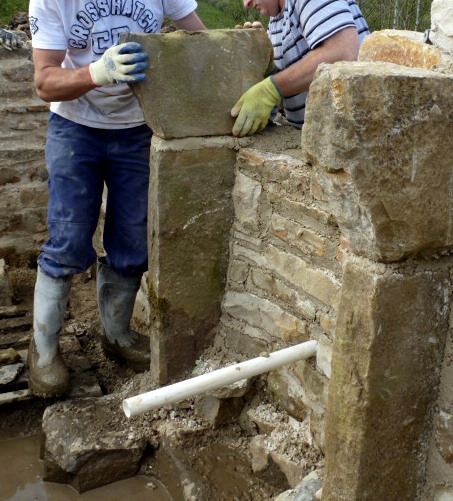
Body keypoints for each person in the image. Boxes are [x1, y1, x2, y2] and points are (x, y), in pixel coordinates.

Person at [27, 0, 206, 397]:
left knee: (131, 239)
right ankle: (43, 351)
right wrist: (97, 72)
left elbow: (199, 39)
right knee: (68, 238)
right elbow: (44, 82)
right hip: (75, 126)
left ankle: (116, 335)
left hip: (137, 126)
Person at [231, 0, 369, 137]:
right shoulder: (275, 20)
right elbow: (288, 88)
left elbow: (343, 52)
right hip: (321, 138)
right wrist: (267, 65)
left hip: (356, 138)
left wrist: (270, 89)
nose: (246, 3)